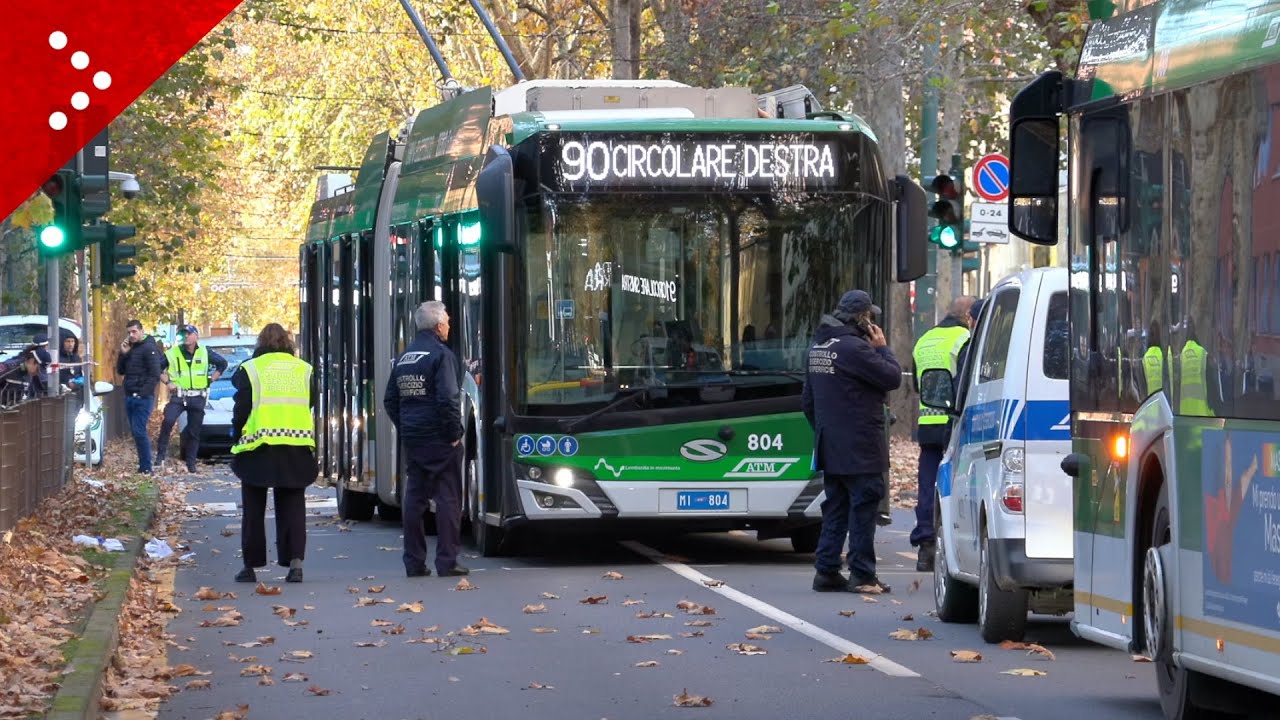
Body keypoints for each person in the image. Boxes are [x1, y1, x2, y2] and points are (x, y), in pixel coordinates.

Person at [802, 289, 902, 593]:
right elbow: (892, 378)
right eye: (870, 316)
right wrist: (883, 349)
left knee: (836, 507)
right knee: (863, 508)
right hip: (861, 445)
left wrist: (826, 430)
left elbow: (807, 402)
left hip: (830, 445)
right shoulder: (856, 350)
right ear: (863, 318)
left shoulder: (819, 348)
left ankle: (827, 570)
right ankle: (862, 573)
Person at [385, 300, 468, 578]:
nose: (448, 324)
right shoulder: (441, 355)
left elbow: (390, 400)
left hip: (414, 438)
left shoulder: (404, 357)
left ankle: (414, 562)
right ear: (438, 325)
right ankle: (447, 561)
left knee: (414, 499)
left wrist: (407, 425)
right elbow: (448, 398)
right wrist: (454, 434)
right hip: (440, 439)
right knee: (448, 498)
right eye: (446, 320)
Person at [229, 323, 317, 584]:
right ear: (288, 342)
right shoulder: (304, 369)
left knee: (253, 509)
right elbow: (309, 402)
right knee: (293, 506)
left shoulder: (251, 369)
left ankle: (250, 566)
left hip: (258, 446)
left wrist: (237, 436)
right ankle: (295, 564)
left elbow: (241, 408)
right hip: (296, 445)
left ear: (260, 343)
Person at [910, 295, 977, 572]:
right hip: (954, 425)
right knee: (955, 487)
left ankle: (926, 549)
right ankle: (952, 548)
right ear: (967, 317)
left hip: (927, 425)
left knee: (927, 486)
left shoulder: (924, 340)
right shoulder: (965, 339)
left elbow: (917, 384)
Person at [155, 325, 228, 473]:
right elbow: (156, 368)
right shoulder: (172, 353)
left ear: (196, 336)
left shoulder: (205, 352)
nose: (185, 337)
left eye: (188, 334)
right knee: (168, 421)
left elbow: (223, 363)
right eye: (182, 334)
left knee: (194, 431)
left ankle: (191, 463)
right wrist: (168, 382)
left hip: (197, 396)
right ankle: (160, 457)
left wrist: (212, 379)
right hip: (179, 396)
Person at [115, 320, 165, 474]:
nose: (131, 335)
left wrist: (143, 393)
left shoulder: (149, 348)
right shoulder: (131, 348)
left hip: (142, 397)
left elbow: (155, 373)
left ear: (142, 331)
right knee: (136, 432)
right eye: (129, 332)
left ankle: (146, 467)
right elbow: (121, 371)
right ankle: (143, 465)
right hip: (130, 394)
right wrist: (123, 354)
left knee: (139, 431)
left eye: (134, 332)